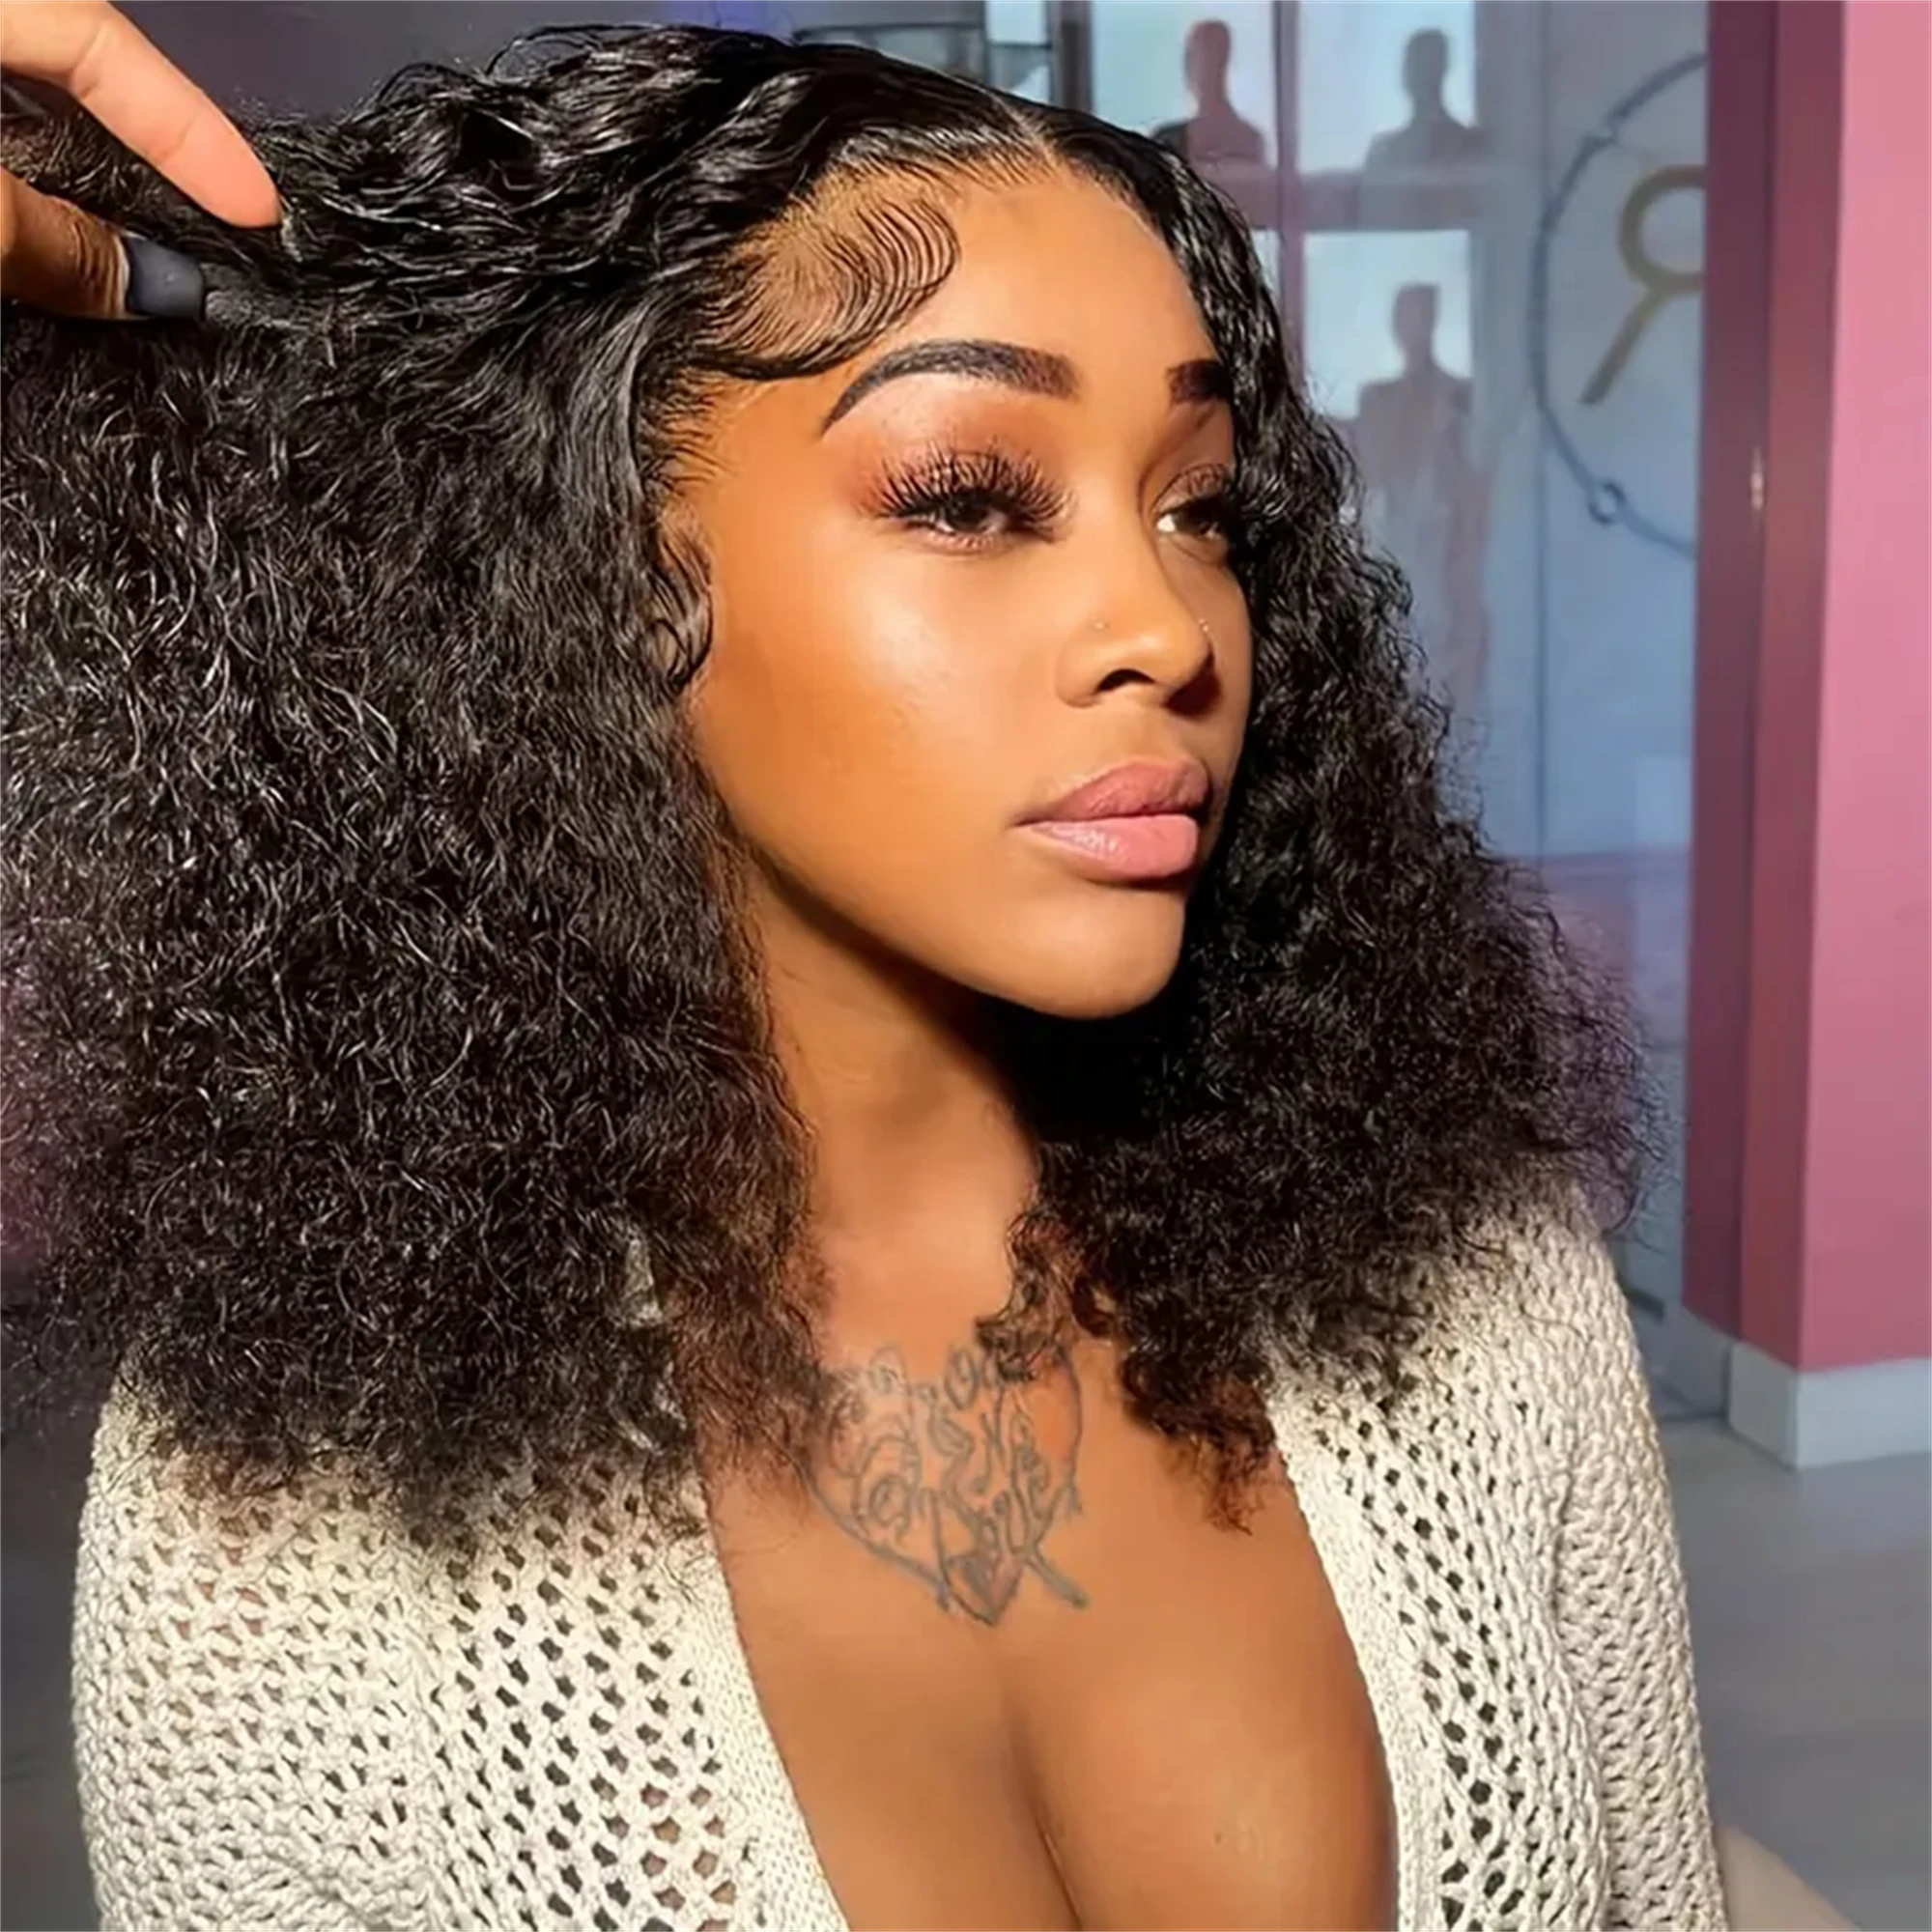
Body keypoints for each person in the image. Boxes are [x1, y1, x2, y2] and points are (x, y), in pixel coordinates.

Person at [1, 10, 1726, 1931]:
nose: (1167, 627)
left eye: (1199, 506)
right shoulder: (277, 1508)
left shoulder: (1467, 1286)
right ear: (593, 574)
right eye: (970, 494)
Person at [1347, 284, 1491, 715]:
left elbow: (1472, 487)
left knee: (1444, 668)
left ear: (1433, 321)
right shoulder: (1378, 399)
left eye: (1421, 315)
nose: (1413, 326)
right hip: (1392, 543)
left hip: (1441, 551)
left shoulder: (1457, 395)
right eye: (1406, 316)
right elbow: (1370, 476)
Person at [1363, 28, 1486, 174]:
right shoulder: (1384, 151)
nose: (1412, 72)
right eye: (1410, 64)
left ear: (1440, 70)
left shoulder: (1468, 144)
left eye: (1421, 63)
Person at [1150, 17, 1265, 168]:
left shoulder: (1248, 140)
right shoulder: (1167, 140)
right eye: (1194, 58)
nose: (1203, 67)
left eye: (1209, 56)